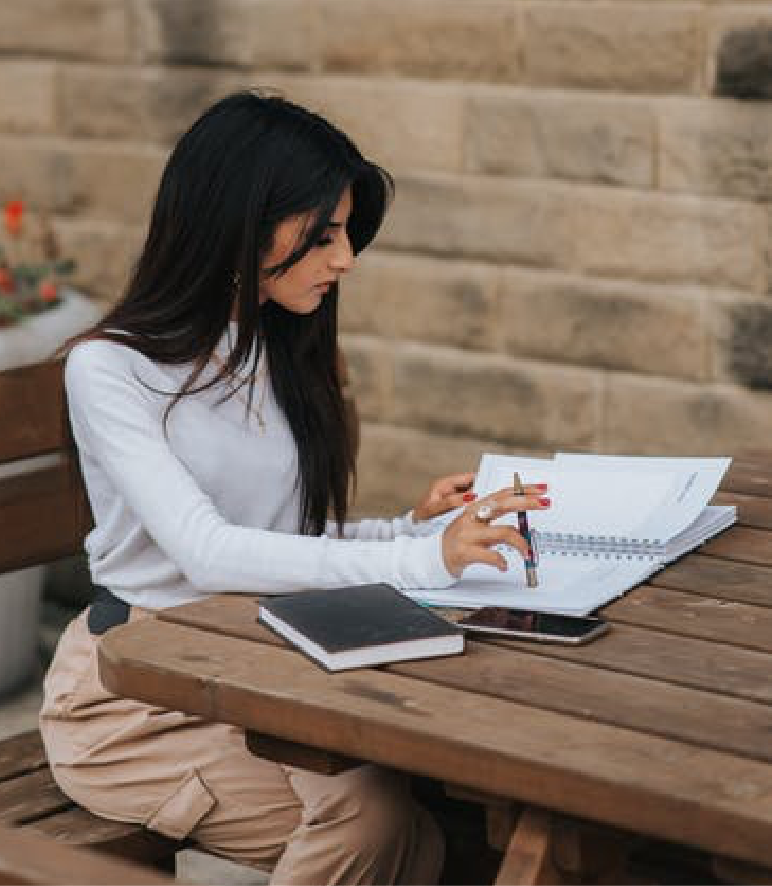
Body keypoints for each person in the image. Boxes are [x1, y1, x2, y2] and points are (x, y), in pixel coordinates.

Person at [39, 91, 549, 886]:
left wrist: (418, 533)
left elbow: (280, 542)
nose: (344, 258)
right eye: (323, 234)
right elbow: (208, 554)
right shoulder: (110, 370)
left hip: (266, 671)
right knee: (387, 825)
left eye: (346, 233)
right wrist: (425, 564)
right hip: (133, 699)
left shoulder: (274, 351)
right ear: (239, 221)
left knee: (435, 812)